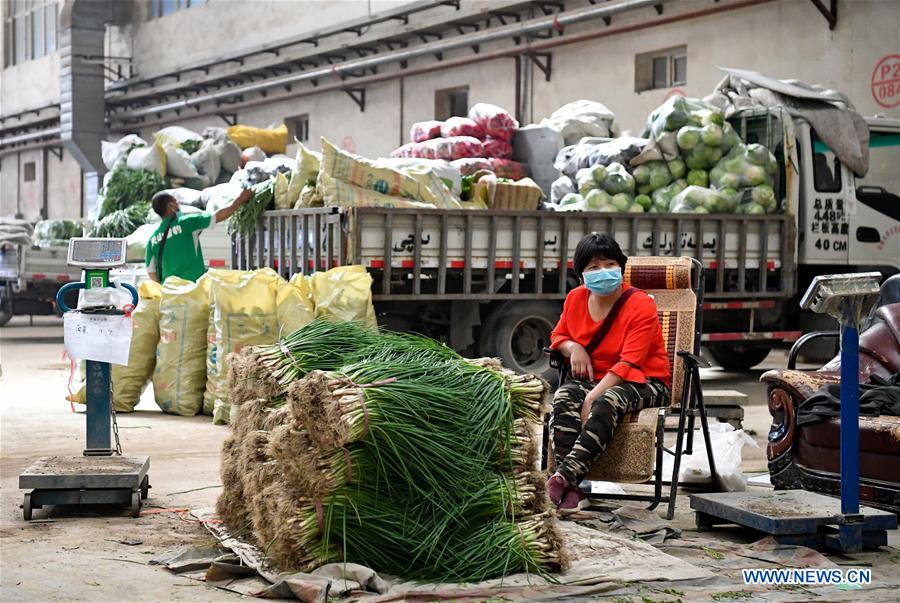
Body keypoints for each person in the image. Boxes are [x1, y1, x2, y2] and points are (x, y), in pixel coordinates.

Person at [546, 233, 671, 512]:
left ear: (621, 267)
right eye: (593, 267)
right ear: (581, 275)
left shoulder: (641, 304)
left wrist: (591, 398)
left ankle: (562, 477)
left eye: (609, 264)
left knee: (607, 400)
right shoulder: (576, 298)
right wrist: (573, 346)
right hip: (597, 379)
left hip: (645, 379)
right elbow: (558, 334)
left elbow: (630, 363)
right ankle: (574, 489)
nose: (603, 271)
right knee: (564, 396)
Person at [146, 189, 252, 283]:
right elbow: (219, 216)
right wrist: (241, 199)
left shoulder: (152, 240)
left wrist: (161, 289)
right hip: (192, 289)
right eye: (176, 202)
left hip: (169, 293)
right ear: (171, 206)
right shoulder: (187, 223)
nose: (178, 205)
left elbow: (151, 271)